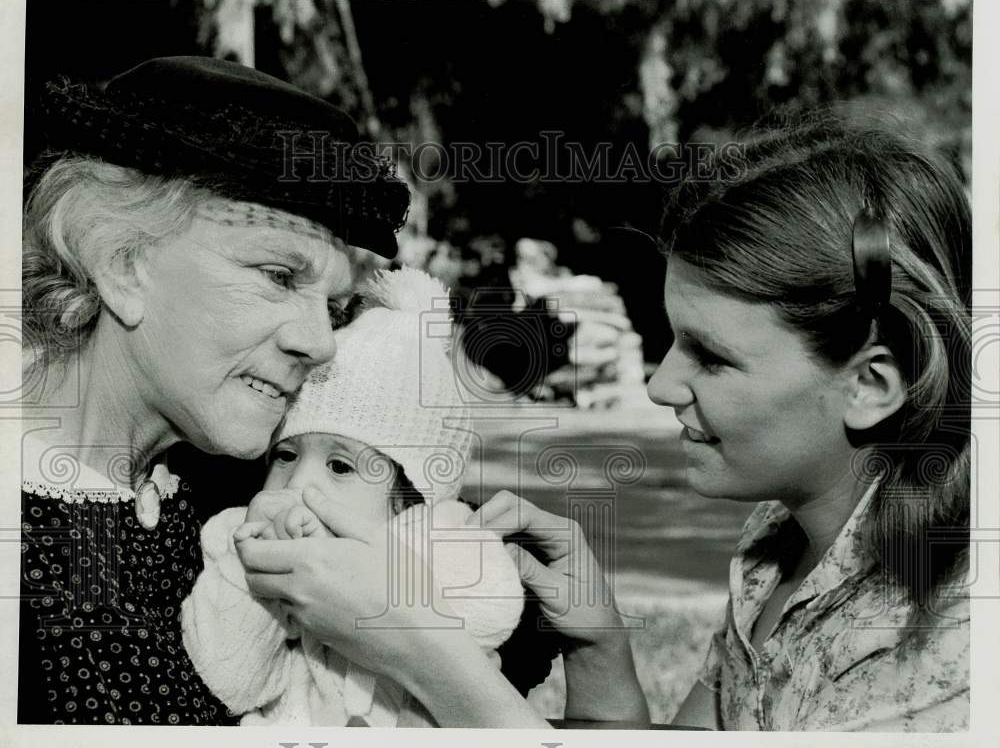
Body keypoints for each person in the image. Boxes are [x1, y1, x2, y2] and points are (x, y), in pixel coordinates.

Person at [236, 107, 972, 730]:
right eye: (670, 339)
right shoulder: (779, 544)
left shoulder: (949, 649)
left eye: (711, 358)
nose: (659, 384)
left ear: (871, 385)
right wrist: (600, 649)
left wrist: (415, 649)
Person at [18, 55, 410, 725]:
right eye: (280, 276)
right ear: (123, 265)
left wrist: (600, 662)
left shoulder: (265, 493)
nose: (321, 343)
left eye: (338, 308)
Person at [179, 267, 525, 727]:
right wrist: (256, 571)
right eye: (285, 456)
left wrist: (384, 581)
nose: (300, 484)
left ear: (412, 498)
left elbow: (492, 610)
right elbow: (231, 679)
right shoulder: (238, 536)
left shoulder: (436, 533)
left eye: (340, 466)